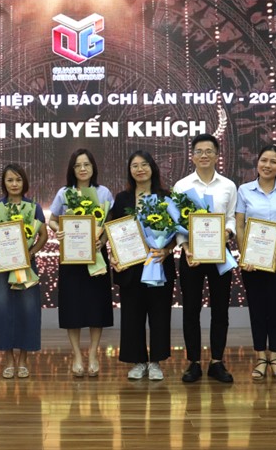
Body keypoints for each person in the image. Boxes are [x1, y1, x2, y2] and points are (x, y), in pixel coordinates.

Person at [173, 133, 237, 383]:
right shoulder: (182, 186)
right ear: (192, 156)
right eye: (199, 151)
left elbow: (231, 217)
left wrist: (227, 232)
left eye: (209, 151)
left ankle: (217, 362)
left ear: (217, 155)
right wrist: (185, 247)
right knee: (191, 309)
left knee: (220, 309)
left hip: (220, 253)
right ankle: (194, 363)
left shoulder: (228, 185)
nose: (204, 155)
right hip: (191, 254)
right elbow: (177, 222)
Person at [235, 145, 276, 381]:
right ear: (257, 162)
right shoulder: (244, 190)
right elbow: (239, 225)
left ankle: (275, 356)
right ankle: (261, 357)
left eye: (273, 161)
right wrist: (245, 255)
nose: (267, 165)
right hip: (253, 263)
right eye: (264, 160)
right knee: (257, 309)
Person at [108, 151, 175, 381]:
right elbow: (114, 230)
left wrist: (167, 250)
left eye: (144, 164)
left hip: (157, 262)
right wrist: (115, 257)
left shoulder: (166, 197)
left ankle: (156, 362)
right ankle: (138, 361)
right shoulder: (122, 199)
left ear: (152, 168)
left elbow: (177, 232)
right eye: (134, 166)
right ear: (130, 171)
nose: (140, 169)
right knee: (132, 316)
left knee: (159, 314)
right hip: (131, 266)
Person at [48, 149, 114, 378]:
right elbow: (52, 220)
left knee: (97, 306)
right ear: (72, 169)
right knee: (72, 307)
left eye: (87, 164)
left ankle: (93, 353)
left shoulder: (104, 192)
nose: (83, 169)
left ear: (93, 167)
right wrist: (59, 231)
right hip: (72, 257)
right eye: (78, 165)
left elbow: (110, 223)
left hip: (96, 255)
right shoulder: (64, 193)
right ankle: (77, 355)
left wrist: (102, 242)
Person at [0, 164, 48, 379]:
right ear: (4, 183)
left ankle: (23, 359)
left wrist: (31, 253)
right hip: (1, 268)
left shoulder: (34, 208)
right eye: (10, 180)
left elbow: (43, 235)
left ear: (24, 182)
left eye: (18, 180)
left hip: (26, 266)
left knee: (28, 310)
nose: (14, 184)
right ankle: (8, 359)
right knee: (2, 311)